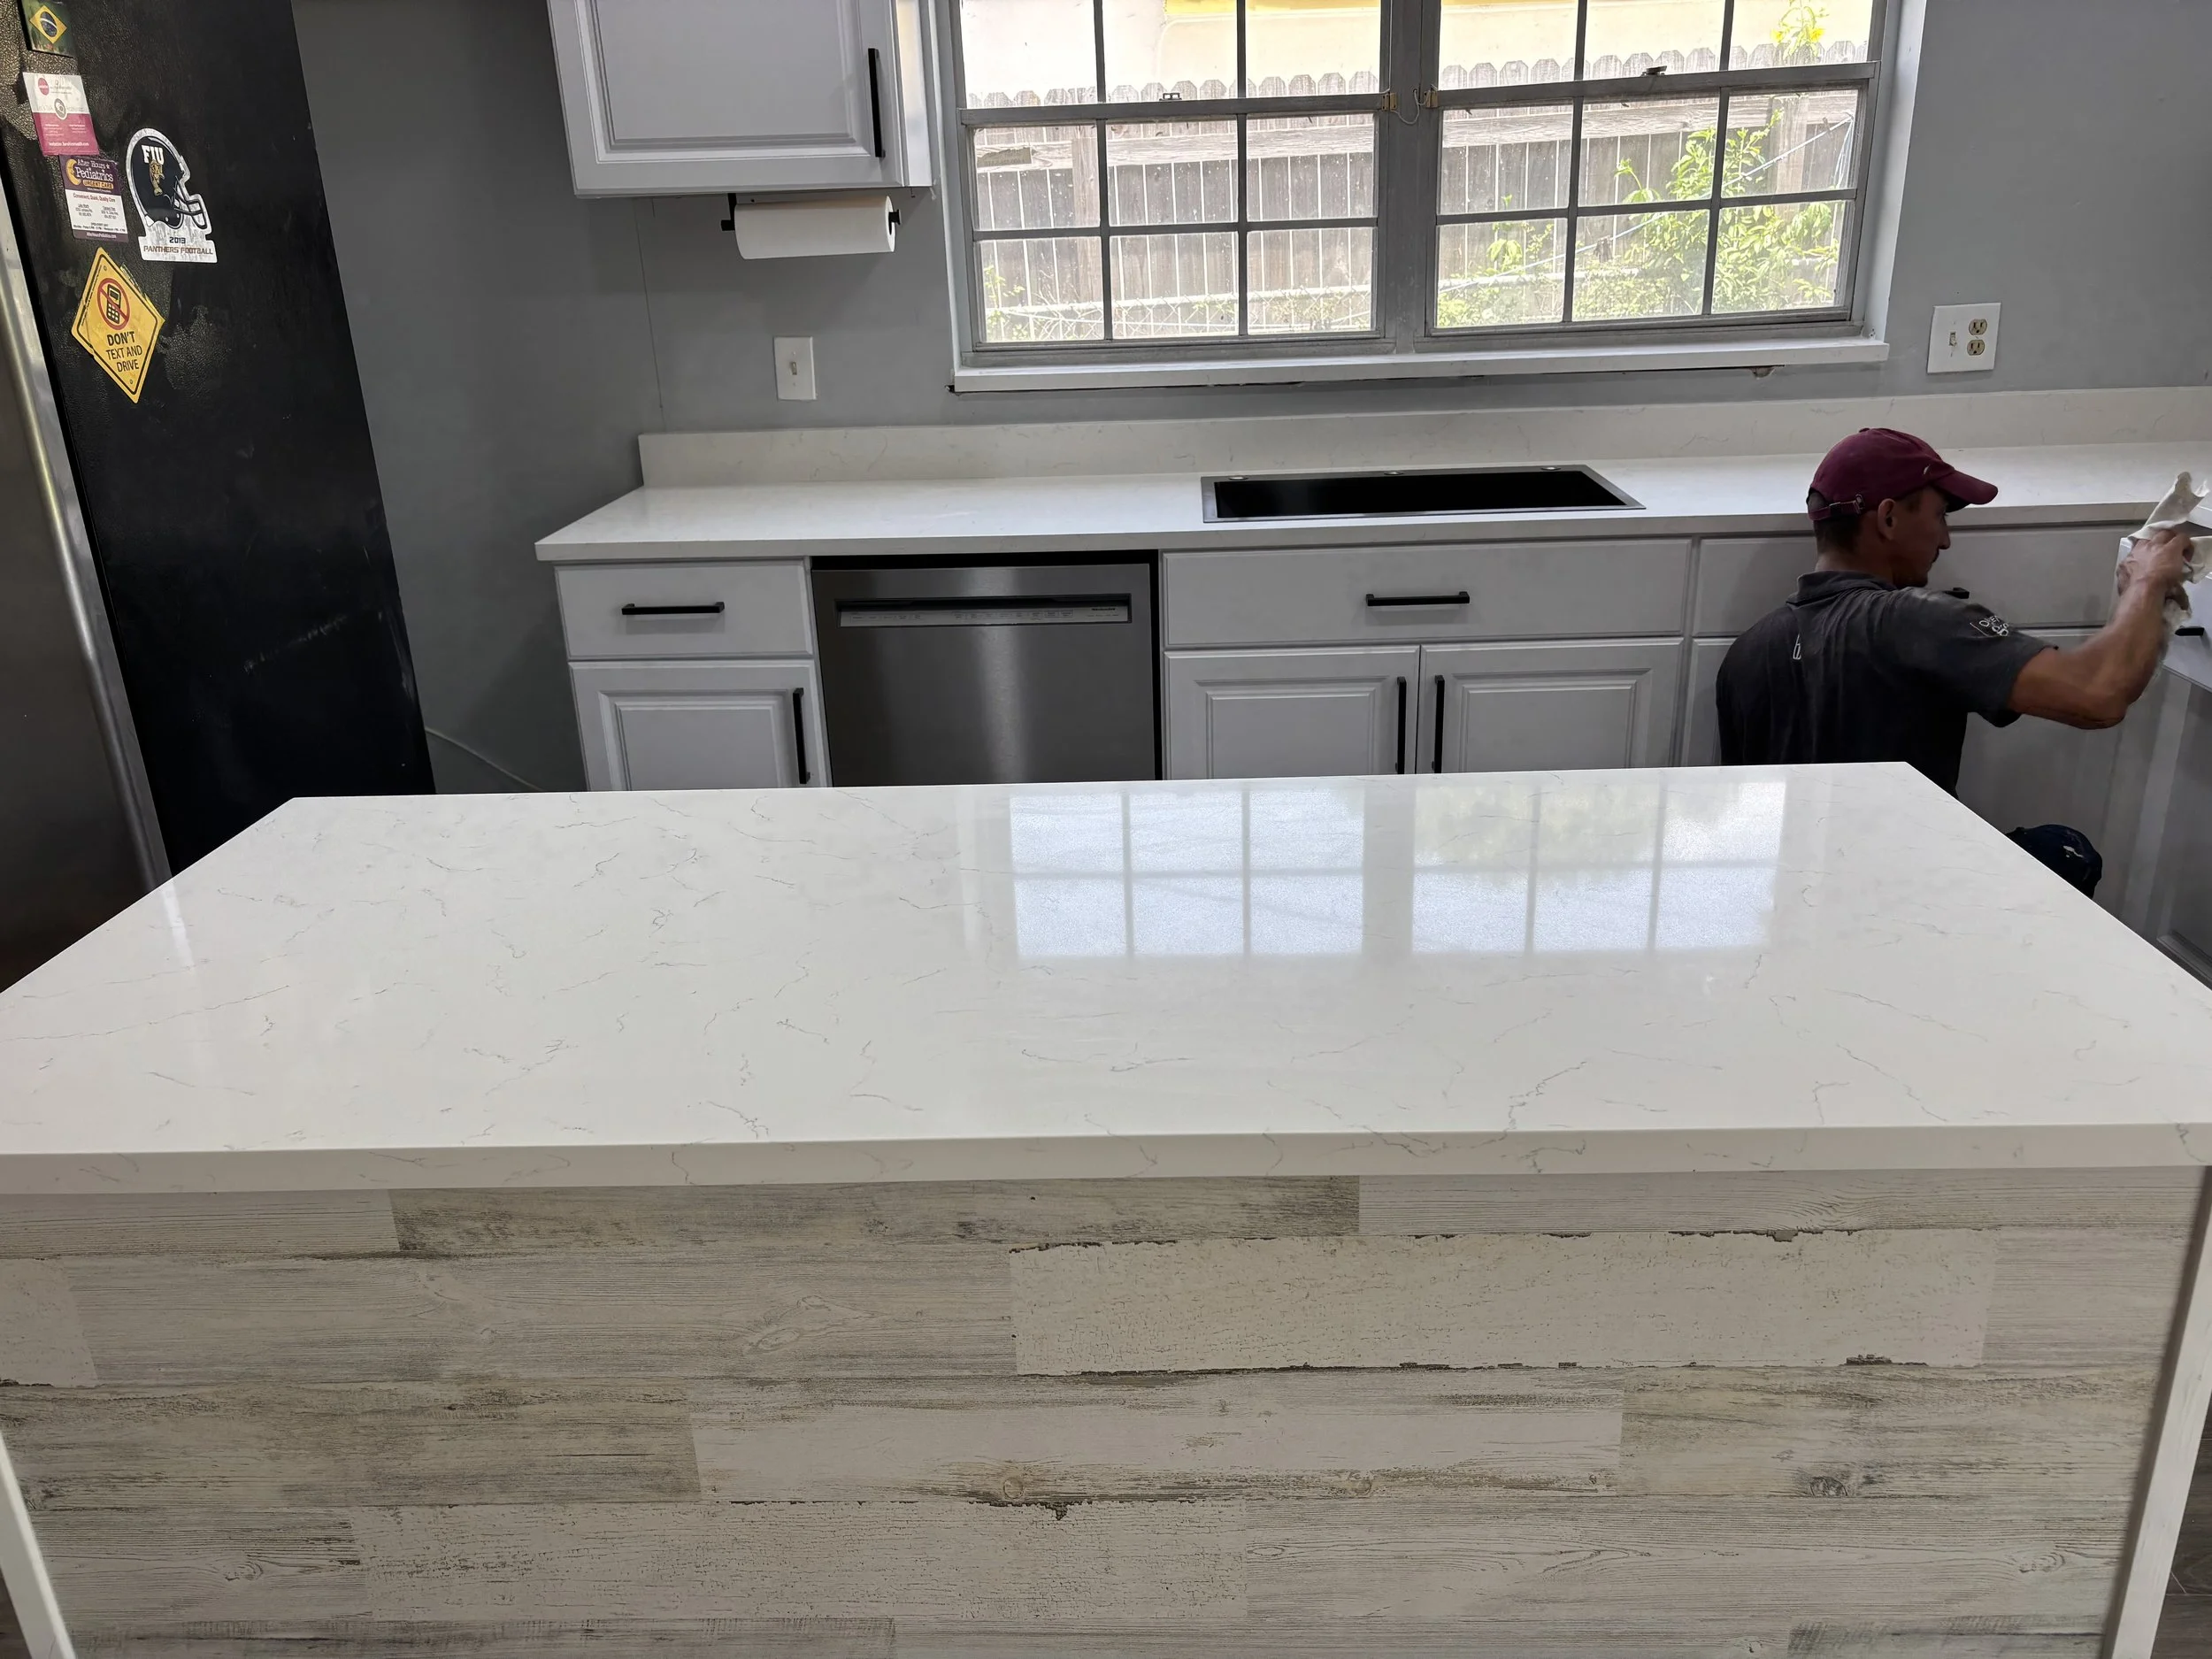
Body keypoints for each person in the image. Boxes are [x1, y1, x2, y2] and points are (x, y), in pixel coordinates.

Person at [1716, 426, 2193, 895]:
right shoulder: (1912, 618)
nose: (1945, 541)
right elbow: (2098, 695)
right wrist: (2147, 583)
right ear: (1887, 519)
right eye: (1941, 516)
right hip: (1912, 904)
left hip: (1792, 906)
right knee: (2066, 852)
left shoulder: (1746, 654)